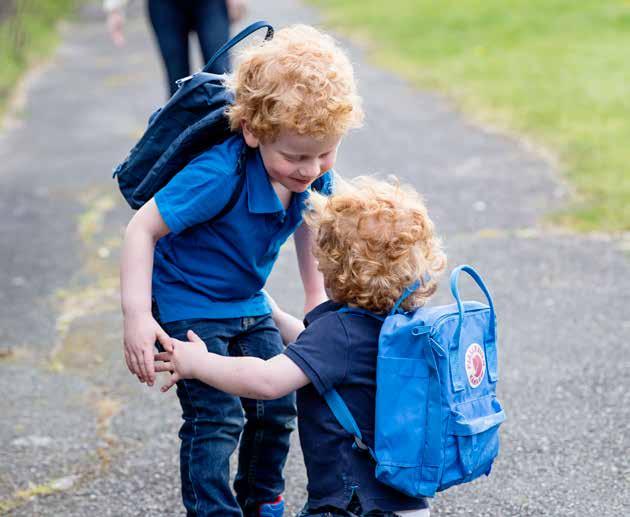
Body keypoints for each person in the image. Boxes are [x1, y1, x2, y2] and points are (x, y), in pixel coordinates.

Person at [119, 24, 363, 517]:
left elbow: (309, 225)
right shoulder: (218, 174)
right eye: (296, 155)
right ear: (253, 131)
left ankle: (261, 498)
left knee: (276, 407)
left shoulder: (310, 170)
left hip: (248, 300)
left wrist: (315, 299)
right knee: (217, 417)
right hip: (187, 300)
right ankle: (212, 509)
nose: (311, 168)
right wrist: (138, 317)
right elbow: (141, 229)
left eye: (325, 152)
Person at [154, 176, 447, 516]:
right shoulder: (403, 325)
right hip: (405, 501)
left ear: (336, 270)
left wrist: (199, 364)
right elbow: (319, 353)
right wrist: (276, 318)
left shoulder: (340, 333)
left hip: (351, 504)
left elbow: (268, 380)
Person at [104, 0, 247, 96]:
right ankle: (182, 138)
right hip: (165, 6)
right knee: (177, 82)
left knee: (220, 76)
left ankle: (227, 136)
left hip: (210, 4)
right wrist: (115, 9)